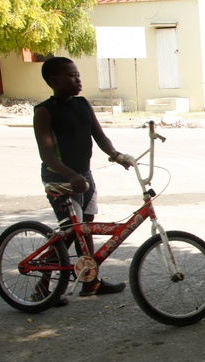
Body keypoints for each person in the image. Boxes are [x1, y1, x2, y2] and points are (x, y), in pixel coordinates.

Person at [33, 56, 133, 304]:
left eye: (78, 75)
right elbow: (47, 155)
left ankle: (91, 281)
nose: (78, 80)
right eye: (71, 76)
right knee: (68, 234)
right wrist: (71, 176)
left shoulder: (82, 104)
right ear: (53, 80)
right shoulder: (44, 111)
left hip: (84, 177)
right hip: (61, 180)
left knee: (85, 229)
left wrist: (116, 155)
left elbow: (99, 136)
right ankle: (43, 288)